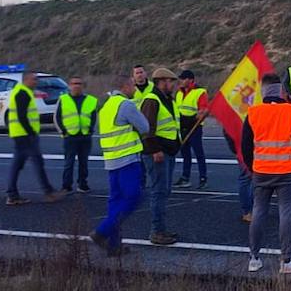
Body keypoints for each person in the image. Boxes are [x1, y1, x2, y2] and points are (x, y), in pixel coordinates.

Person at [243, 74, 291, 274]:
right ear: (281, 90)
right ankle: (287, 260)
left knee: (258, 212)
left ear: (263, 91)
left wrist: (253, 167)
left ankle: (254, 258)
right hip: (287, 171)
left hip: (261, 171)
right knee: (286, 214)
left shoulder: (253, 112)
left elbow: (245, 145)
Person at [89, 74, 152, 257]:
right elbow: (145, 127)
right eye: (132, 85)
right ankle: (101, 232)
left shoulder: (106, 107)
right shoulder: (126, 105)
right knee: (134, 197)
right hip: (128, 159)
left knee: (116, 202)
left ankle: (114, 246)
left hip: (111, 160)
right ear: (125, 86)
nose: (134, 89)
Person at [5, 69, 64, 205]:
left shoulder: (23, 92)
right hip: (25, 135)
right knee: (37, 162)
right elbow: (22, 116)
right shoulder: (22, 93)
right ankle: (48, 192)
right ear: (26, 80)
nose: (36, 82)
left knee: (18, 164)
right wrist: (31, 131)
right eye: (34, 79)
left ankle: (12, 194)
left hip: (20, 134)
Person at [138, 67, 182, 245]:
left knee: (164, 191)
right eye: (171, 82)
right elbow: (146, 128)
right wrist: (154, 150)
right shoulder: (152, 100)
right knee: (159, 192)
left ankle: (161, 229)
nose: (173, 85)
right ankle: (157, 231)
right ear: (162, 82)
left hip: (168, 152)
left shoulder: (167, 100)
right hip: (158, 154)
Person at [54, 76, 97, 193]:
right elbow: (57, 117)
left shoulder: (90, 100)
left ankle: (83, 184)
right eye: (74, 83)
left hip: (85, 136)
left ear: (83, 86)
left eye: (79, 83)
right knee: (69, 163)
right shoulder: (63, 99)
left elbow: (93, 116)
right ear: (69, 86)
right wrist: (63, 131)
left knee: (84, 162)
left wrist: (90, 129)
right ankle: (66, 185)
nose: (76, 86)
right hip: (70, 136)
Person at [174, 70, 210, 189]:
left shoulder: (200, 92)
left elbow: (203, 110)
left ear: (190, 80)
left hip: (195, 126)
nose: (181, 81)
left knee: (198, 153)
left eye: (183, 79)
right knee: (185, 153)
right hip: (182, 127)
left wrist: (193, 119)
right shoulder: (179, 93)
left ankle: (203, 178)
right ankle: (185, 177)